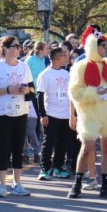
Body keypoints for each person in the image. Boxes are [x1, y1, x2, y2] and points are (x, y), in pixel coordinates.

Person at [67, 26, 107, 199]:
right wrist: (94, 93)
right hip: (89, 114)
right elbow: (74, 92)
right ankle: (77, 184)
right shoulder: (80, 67)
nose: (106, 49)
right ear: (94, 46)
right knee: (86, 149)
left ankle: (106, 185)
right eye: (103, 46)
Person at [0, 36, 35, 197]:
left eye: (19, 46)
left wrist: (25, 90)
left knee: (18, 148)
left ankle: (17, 183)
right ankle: (1, 185)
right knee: (3, 148)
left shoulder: (24, 67)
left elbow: (32, 89)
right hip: (2, 112)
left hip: (21, 111)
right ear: (5, 48)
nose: (18, 48)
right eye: (15, 46)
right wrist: (7, 90)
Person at [36, 46, 71, 180]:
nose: (66, 58)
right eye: (64, 55)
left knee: (62, 143)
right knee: (48, 142)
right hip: (51, 114)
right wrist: (42, 114)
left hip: (65, 114)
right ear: (57, 58)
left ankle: (58, 167)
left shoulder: (66, 74)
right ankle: (44, 168)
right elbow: (40, 95)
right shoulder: (45, 74)